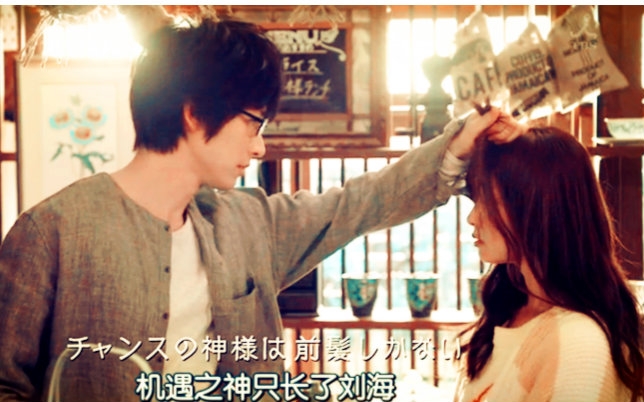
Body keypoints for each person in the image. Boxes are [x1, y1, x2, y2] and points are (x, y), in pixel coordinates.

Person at [0, 10, 521, 402]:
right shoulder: (52, 231)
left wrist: (460, 142)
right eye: (253, 123)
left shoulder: (248, 222)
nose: (260, 147)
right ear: (194, 113)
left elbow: (363, 202)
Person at [454, 124, 644, 402]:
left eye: (487, 199)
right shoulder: (511, 308)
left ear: (536, 206)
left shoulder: (579, 341)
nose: (472, 217)